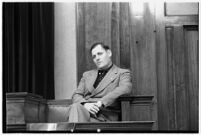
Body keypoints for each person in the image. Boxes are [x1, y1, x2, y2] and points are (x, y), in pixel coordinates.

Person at [66, 42, 132, 122]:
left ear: (109, 53)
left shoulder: (122, 73)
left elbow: (125, 88)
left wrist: (102, 102)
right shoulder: (87, 75)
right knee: (75, 107)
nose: (97, 58)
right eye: (94, 56)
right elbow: (76, 95)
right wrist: (85, 104)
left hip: (104, 114)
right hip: (85, 111)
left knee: (75, 112)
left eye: (100, 54)